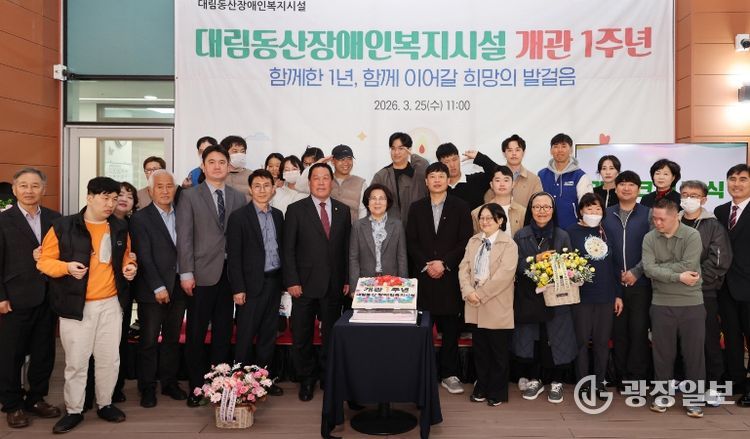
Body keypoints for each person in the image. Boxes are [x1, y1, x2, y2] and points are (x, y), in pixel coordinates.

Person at [37, 177, 137, 434]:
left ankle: (105, 404)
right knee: (76, 362)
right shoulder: (63, 226)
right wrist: (66, 267)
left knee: (109, 359)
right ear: (89, 197)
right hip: (75, 305)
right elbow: (44, 261)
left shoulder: (119, 226)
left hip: (111, 304)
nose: (110, 203)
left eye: (114, 198)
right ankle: (74, 410)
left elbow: (126, 256)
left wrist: (130, 267)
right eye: (105, 198)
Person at [176, 145, 246, 407]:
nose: (217, 166)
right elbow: (184, 237)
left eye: (222, 162)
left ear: (229, 166)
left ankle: (219, 385)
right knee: (195, 333)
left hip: (230, 275)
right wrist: (186, 272)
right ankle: (197, 387)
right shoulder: (189, 196)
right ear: (203, 167)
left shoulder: (238, 197)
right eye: (212, 162)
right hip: (200, 274)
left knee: (223, 333)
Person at [283, 163, 351, 402]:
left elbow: (346, 249)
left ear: (332, 182)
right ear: (309, 182)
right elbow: (288, 249)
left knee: (331, 334)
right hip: (303, 285)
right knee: (302, 335)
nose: (321, 182)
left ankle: (328, 375)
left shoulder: (343, 210)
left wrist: (346, 279)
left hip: (334, 284)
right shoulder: (295, 210)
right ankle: (307, 378)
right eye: (316, 178)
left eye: (325, 178)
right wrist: (292, 280)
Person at [0, 168, 61, 429]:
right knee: (10, 355)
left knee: (43, 352)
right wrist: (1, 297)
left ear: (43, 189)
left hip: (49, 297)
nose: (29, 190)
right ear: (14, 190)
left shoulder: (55, 218)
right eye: (23, 185)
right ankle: (12, 404)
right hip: (14, 298)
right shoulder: (3, 220)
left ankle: (36, 398)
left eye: (35, 185)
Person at [407, 162, 473, 395]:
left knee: (451, 330)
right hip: (424, 277)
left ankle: (449, 374)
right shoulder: (416, 207)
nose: (436, 180)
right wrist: (427, 264)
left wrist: (444, 263)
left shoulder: (461, 206)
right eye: (432, 176)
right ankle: (423, 373)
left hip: (450, 276)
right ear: (426, 181)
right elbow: (411, 241)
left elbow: (465, 240)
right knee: (423, 329)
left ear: (448, 180)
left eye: (441, 176)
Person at [130, 170, 188, 408]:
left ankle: (169, 383)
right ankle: (147, 387)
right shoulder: (140, 218)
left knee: (172, 339)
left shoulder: (182, 214)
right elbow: (144, 256)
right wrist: (158, 286)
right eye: (160, 187)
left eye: (169, 186)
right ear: (150, 190)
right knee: (149, 340)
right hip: (152, 290)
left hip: (179, 287)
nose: (165, 191)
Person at [642, 198, 705, 418]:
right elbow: (649, 269)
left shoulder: (692, 235)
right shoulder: (650, 238)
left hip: (692, 303)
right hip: (661, 303)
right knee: (662, 355)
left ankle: (694, 400)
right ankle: (662, 396)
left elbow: (690, 265)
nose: (657, 223)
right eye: (654, 218)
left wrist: (662, 269)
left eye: (662, 219)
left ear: (676, 216)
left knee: (694, 355)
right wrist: (677, 276)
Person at [512, 192, 576, 404]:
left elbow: (570, 264)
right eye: (537, 207)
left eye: (547, 207)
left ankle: (556, 381)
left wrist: (552, 270)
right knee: (533, 338)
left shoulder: (562, 235)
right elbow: (515, 264)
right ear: (530, 210)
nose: (542, 211)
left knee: (556, 338)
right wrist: (536, 261)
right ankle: (535, 379)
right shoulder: (520, 235)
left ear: (553, 210)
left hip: (556, 296)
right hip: (529, 295)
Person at [227, 169, 285, 397]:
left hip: (273, 281)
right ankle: (240, 385)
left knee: (268, 335)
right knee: (245, 336)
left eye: (266, 185)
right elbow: (234, 256)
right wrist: (238, 288)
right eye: (257, 186)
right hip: (250, 287)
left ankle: (263, 382)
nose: (262, 190)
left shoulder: (278, 215)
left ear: (273, 189)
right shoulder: (239, 217)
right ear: (250, 190)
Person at [678, 180, 732, 405]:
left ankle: (713, 385)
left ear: (704, 199)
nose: (688, 199)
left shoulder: (713, 225)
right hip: (675, 293)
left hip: (703, 292)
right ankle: (688, 382)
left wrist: (695, 280)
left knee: (708, 340)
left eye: (694, 195)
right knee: (682, 341)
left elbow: (719, 260)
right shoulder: (672, 222)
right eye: (685, 194)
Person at [459, 203, 518, 406]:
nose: (484, 222)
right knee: (481, 350)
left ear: (500, 220)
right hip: (474, 302)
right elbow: (464, 268)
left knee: (498, 352)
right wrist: (468, 291)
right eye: (482, 218)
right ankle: (481, 387)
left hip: (496, 302)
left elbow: (504, 276)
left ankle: (497, 391)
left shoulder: (509, 244)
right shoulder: (474, 240)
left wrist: (481, 294)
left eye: (489, 218)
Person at [566, 193, 623, 397]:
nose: (593, 212)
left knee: (601, 342)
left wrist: (618, 295)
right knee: (581, 341)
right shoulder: (570, 232)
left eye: (598, 209)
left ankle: (599, 383)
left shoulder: (607, 231)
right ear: (581, 210)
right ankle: (583, 383)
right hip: (581, 296)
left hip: (606, 296)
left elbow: (616, 265)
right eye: (589, 208)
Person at [602, 171, 653, 389]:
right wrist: (615, 277)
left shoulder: (648, 214)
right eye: (622, 184)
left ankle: (637, 377)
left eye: (631, 184)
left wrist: (636, 271)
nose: (626, 188)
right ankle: (621, 375)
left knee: (639, 331)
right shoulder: (606, 214)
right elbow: (600, 249)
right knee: (619, 332)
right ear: (615, 189)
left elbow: (654, 248)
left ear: (639, 189)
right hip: (613, 285)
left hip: (640, 283)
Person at [714, 164, 750, 407]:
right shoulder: (720, 211)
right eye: (732, 179)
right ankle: (736, 379)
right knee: (732, 335)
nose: (737, 184)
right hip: (725, 286)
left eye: (743, 179)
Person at [349, 184, 408, 288]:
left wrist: (404, 285)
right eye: (373, 198)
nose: (377, 202)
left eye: (381, 198)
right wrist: (354, 287)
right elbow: (353, 258)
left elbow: (402, 257)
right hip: (365, 283)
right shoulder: (358, 226)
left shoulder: (397, 225)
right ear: (367, 203)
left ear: (387, 202)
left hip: (392, 282)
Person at [295, 145, 368, 223]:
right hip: (324, 228)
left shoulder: (360, 183)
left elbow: (363, 211)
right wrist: (316, 164)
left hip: (351, 229)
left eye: (349, 159)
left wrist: (358, 230)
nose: (346, 163)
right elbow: (299, 186)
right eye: (342, 159)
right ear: (333, 161)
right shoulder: (324, 180)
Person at [371, 132, 429, 227]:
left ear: (409, 150)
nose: (396, 152)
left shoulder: (418, 174)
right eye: (393, 148)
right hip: (389, 229)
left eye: (401, 148)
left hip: (417, 226)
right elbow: (372, 204)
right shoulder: (381, 176)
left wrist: (413, 156)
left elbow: (425, 166)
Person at [537, 133, 593, 230]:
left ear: (571, 150)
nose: (559, 150)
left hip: (573, 229)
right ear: (551, 150)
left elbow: (588, 204)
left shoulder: (580, 176)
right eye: (556, 146)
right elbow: (536, 203)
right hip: (546, 229)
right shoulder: (541, 175)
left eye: (563, 146)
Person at [436, 142, 498, 209]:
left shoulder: (476, 180)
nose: (452, 165)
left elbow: (500, 173)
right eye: (447, 162)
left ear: (459, 158)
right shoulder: (438, 190)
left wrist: (480, 157)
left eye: (454, 159)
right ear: (440, 165)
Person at [488, 134, 543, 209]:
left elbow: (538, 206)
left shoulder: (534, 180)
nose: (514, 153)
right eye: (510, 150)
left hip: (523, 217)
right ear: (504, 153)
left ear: (523, 152)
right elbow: (488, 202)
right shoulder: (494, 176)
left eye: (517, 150)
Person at [472, 165, 525, 237]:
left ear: (513, 184)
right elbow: (474, 240)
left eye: (506, 180)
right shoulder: (477, 213)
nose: (502, 184)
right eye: (497, 180)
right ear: (491, 185)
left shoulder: (523, 212)